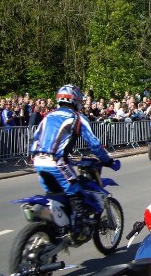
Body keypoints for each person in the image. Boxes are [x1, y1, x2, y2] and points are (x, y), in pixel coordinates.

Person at [30, 85, 121, 242]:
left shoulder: (48, 116)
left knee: (56, 196)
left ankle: (55, 231)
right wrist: (108, 161)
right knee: (76, 192)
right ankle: (76, 232)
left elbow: (36, 138)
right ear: (75, 101)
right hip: (56, 162)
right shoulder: (77, 118)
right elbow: (94, 144)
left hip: (39, 161)